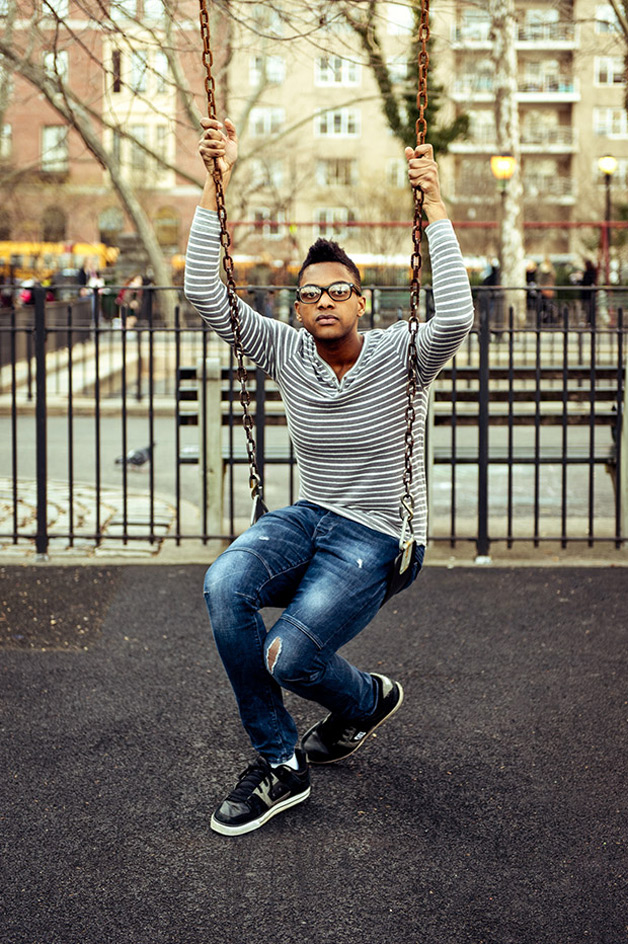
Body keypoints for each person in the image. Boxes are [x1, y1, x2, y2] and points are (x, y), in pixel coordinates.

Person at [184, 117, 474, 837]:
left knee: (290, 658)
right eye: (309, 294)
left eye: (337, 290)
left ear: (361, 301)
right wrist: (212, 183)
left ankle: (365, 700)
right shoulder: (286, 350)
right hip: (309, 515)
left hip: (379, 535)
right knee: (224, 585)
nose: (322, 303)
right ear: (298, 307)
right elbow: (203, 293)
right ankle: (280, 761)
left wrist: (432, 197)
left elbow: (458, 314)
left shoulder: (403, 352)